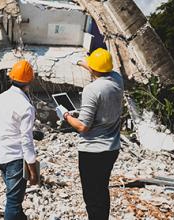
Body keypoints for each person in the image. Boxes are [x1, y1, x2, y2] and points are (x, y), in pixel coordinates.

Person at [56, 48, 124, 220]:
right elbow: (99, 70)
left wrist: (65, 115)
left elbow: (83, 127)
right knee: (102, 189)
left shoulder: (92, 90)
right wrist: (79, 62)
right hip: (112, 148)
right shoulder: (117, 79)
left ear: (94, 69)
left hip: (93, 151)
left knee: (92, 196)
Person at [0, 60, 38, 220]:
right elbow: (26, 140)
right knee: (13, 202)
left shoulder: (0, 99)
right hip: (15, 159)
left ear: (11, 78)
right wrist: (33, 170)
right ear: (30, 81)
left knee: (15, 200)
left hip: (0, 155)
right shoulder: (26, 106)